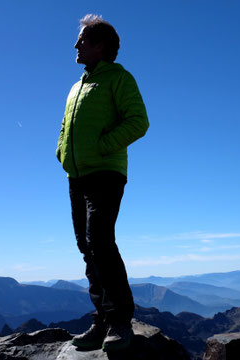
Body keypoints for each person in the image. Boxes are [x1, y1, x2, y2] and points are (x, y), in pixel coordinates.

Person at [56, 14, 149, 351]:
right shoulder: (77, 86)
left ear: (100, 46)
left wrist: (100, 146)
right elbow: (65, 126)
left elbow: (138, 122)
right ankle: (102, 320)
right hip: (76, 176)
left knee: (100, 241)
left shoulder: (118, 79)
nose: (76, 45)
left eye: (82, 40)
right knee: (86, 245)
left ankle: (120, 321)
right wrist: (61, 150)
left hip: (106, 173)